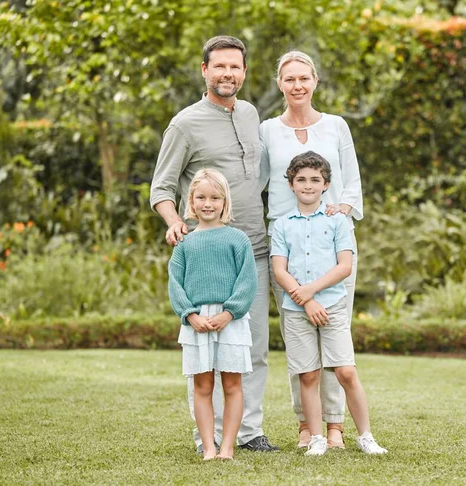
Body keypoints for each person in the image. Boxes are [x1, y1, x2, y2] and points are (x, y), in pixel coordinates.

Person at [150, 36, 279, 453]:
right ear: (204, 70)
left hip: (253, 250)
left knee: (251, 347)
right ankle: (206, 434)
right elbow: (162, 188)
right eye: (219, 66)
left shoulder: (251, 114)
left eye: (235, 67)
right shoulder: (184, 124)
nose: (228, 74)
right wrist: (174, 222)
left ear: (244, 72)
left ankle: (249, 433)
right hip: (207, 257)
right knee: (206, 354)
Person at [260, 50, 364, 448]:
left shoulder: (336, 126)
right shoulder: (268, 130)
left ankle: (336, 425)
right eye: (290, 79)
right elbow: (257, 182)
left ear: (315, 81)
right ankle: (307, 425)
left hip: (330, 248)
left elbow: (351, 180)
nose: (297, 85)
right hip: (286, 248)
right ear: (279, 84)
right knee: (298, 337)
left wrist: (345, 207)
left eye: (304, 78)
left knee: (335, 338)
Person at [270, 151, 387, 456]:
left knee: (345, 371)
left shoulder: (338, 222)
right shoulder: (281, 225)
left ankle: (365, 436)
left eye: (315, 180)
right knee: (308, 374)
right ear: (291, 184)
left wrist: (311, 291)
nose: (308, 185)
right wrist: (305, 300)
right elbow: (279, 271)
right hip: (297, 311)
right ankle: (317, 437)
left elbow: (344, 266)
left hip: (332, 305)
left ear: (325, 185)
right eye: (301, 180)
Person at [170, 169, 256, 460]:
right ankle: (209, 446)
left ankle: (228, 447)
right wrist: (190, 315)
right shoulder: (184, 244)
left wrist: (229, 313)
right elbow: (175, 284)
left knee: (232, 384)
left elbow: (247, 281)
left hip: (230, 320)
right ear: (191, 202)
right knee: (202, 385)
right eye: (201, 197)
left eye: (215, 198)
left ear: (224, 202)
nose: (208, 203)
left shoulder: (238, 239)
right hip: (196, 321)